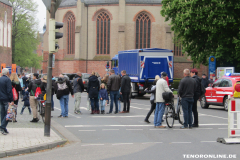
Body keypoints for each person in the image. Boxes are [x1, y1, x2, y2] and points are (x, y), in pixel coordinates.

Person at [0, 68, 13, 135]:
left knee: (2, 114)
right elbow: (9, 91)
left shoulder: (0, 79)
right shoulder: (7, 80)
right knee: (8, 114)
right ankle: (2, 127)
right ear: (7, 73)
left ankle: (4, 128)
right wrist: (11, 100)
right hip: (6, 99)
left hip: (1, 99)